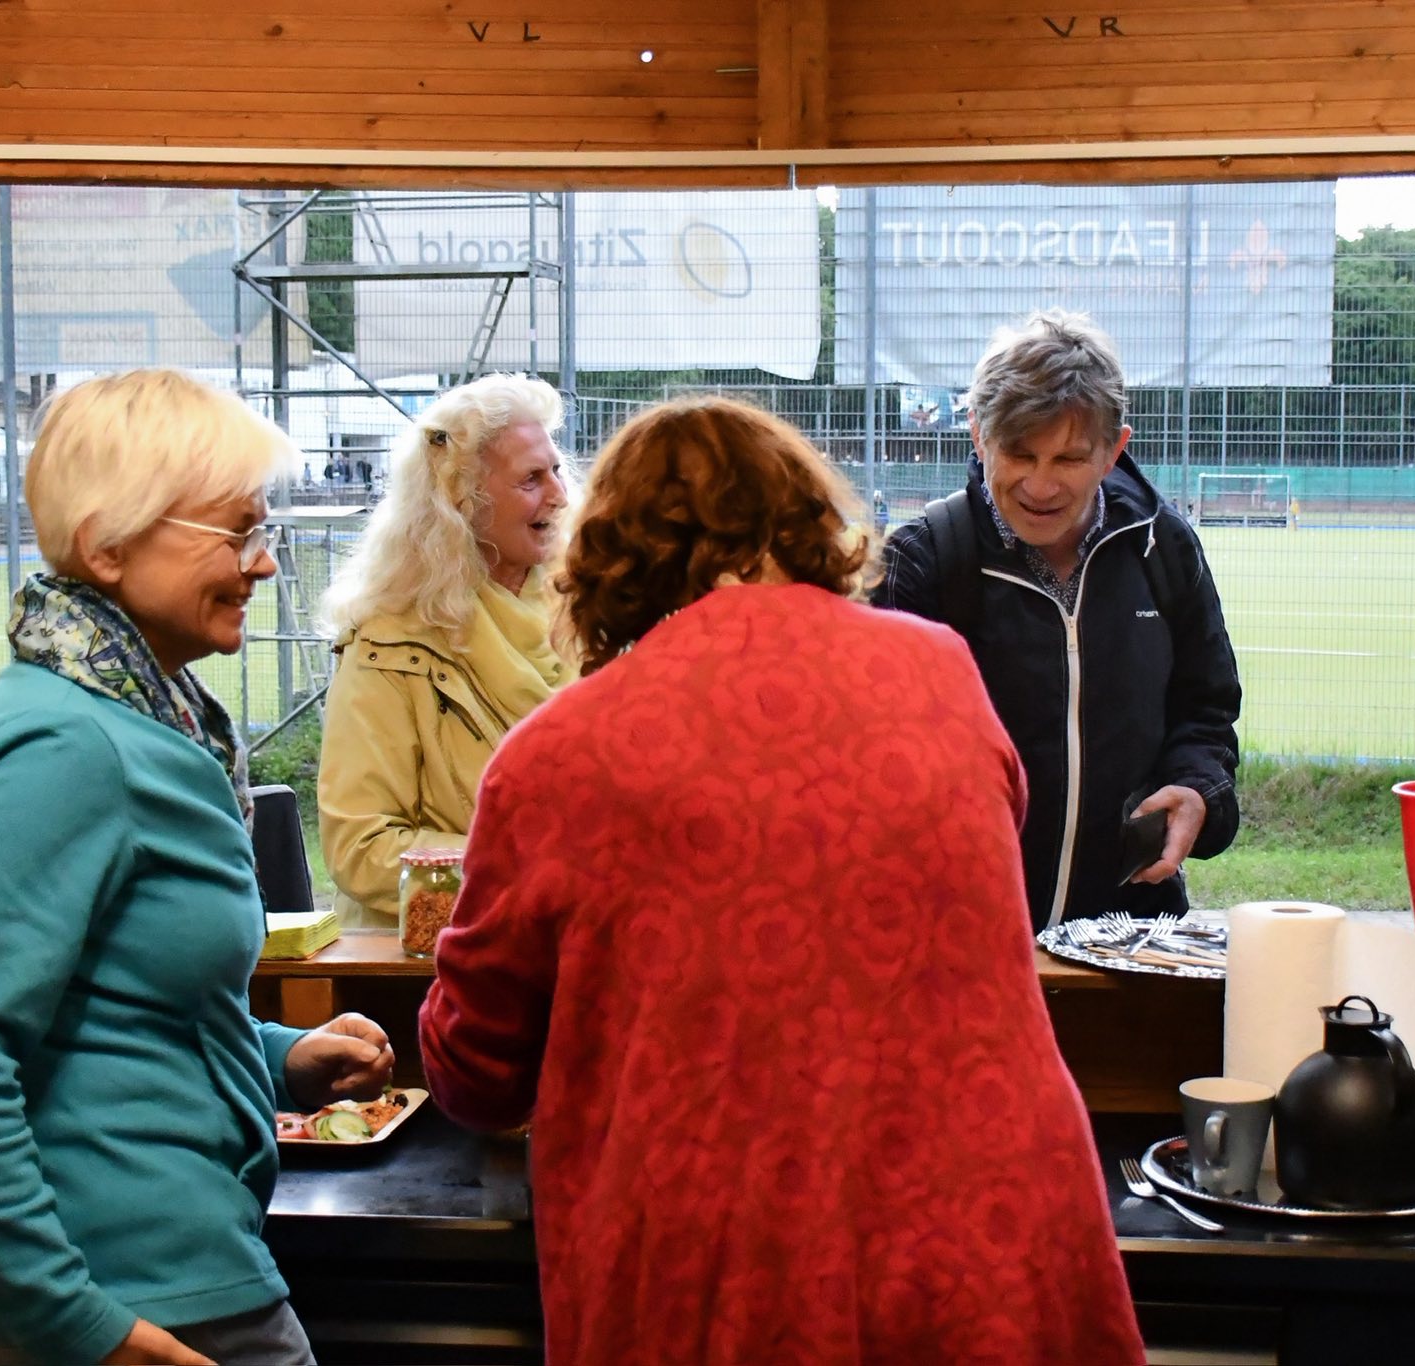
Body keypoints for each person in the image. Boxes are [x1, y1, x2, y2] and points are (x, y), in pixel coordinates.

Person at [417, 397, 1146, 1366]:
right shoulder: (939, 672)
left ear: (609, 553)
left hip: (722, 1256)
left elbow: (475, 1069)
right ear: (804, 516)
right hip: (988, 1227)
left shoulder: (557, 754)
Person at [0, 369, 395, 1366]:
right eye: (236, 533)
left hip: (170, 1261)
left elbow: (109, 1009)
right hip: (131, 1287)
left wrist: (277, 1054)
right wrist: (79, 1323)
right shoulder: (71, 747)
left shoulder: (142, 718)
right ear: (107, 546)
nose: (262, 564)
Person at [879, 309, 1242, 931]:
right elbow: (877, 755)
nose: (1041, 485)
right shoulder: (922, 560)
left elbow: (1205, 709)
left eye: (1069, 459)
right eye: (1019, 454)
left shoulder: (1164, 547)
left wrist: (1196, 790)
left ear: (1113, 451)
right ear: (978, 436)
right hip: (963, 937)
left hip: (1128, 936)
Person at [316, 373, 576, 927]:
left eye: (556, 470)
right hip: (432, 958)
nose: (559, 495)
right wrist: (531, 871)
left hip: (570, 943)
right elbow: (363, 848)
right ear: (462, 501)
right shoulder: (389, 641)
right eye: (531, 479)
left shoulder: (587, 616)